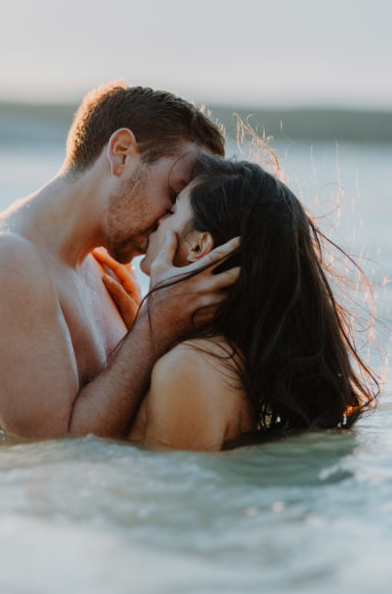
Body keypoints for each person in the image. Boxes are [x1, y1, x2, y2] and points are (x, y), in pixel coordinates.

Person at [0, 82, 239, 439]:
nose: (174, 223)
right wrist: (154, 326)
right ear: (121, 153)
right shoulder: (3, 263)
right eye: (175, 194)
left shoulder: (103, 270)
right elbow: (55, 451)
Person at [127, 154, 379, 451]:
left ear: (198, 246)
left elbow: (166, 493)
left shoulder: (188, 367)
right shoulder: (233, 357)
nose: (158, 219)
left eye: (172, 211)